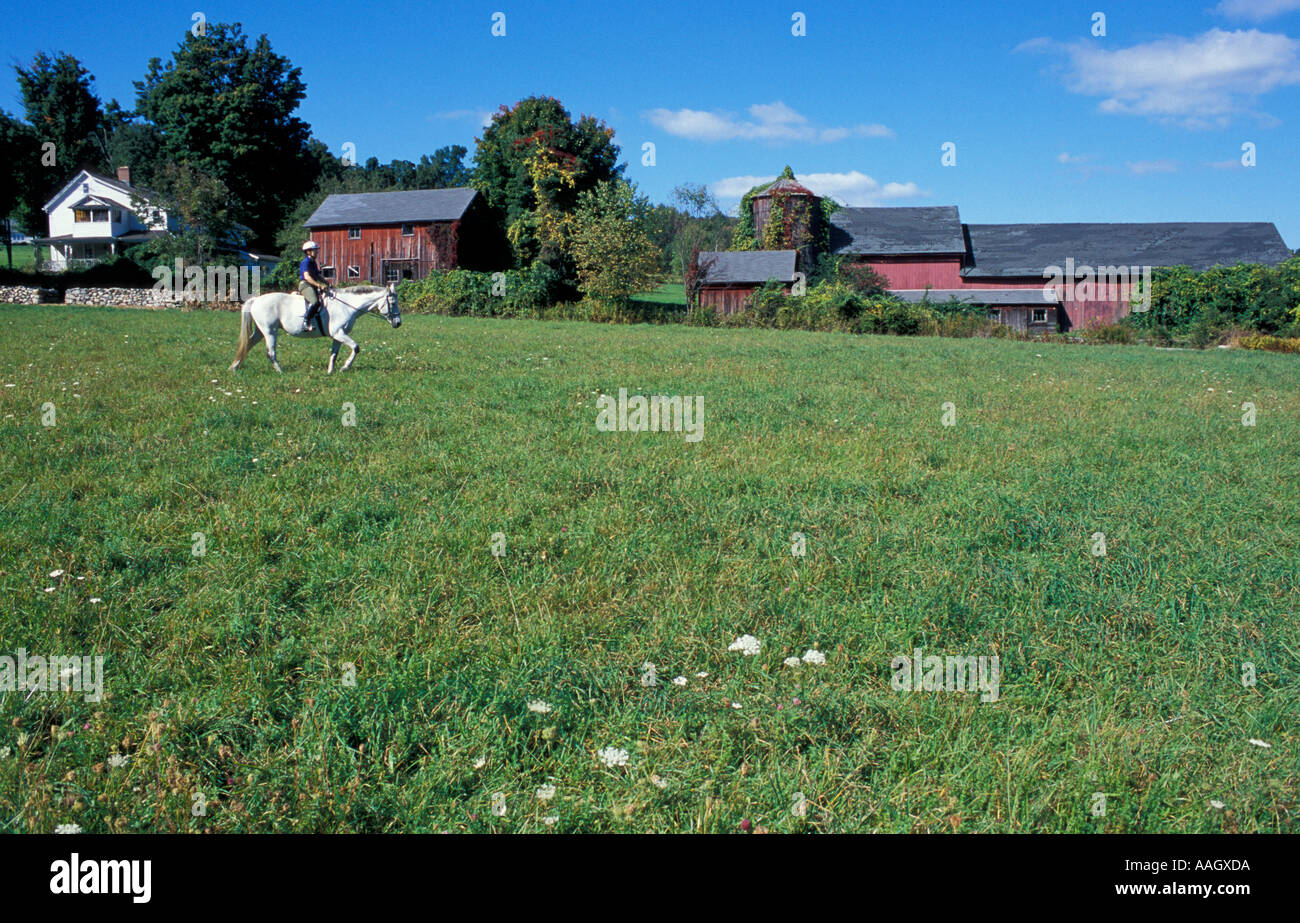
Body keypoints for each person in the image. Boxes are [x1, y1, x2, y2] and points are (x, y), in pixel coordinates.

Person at [298, 241, 329, 333]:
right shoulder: (305, 262)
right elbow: (307, 277)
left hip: (312, 285)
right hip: (305, 285)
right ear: (308, 251)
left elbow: (317, 276)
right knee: (315, 302)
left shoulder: (313, 262)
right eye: (315, 250)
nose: (317, 252)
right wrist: (319, 285)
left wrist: (326, 282)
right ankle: (305, 322)